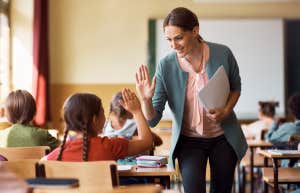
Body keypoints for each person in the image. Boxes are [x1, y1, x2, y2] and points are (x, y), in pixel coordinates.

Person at [135, 7, 247, 193]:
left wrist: (226, 110)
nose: (173, 45)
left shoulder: (223, 53)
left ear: (195, 31)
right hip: (189, 141)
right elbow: (153, 119)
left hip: (223, 138)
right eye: (169, 40)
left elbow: (236, 87)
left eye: (178, 38)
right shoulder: (166, 65)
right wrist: (146, 100)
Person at [45, 89, 153, 161]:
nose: (105, 117)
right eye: (102, 112)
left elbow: (41, 164)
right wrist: (137, 111)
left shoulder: (55, 157)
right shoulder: (110, 146)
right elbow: (147, 142)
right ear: (95, 119)